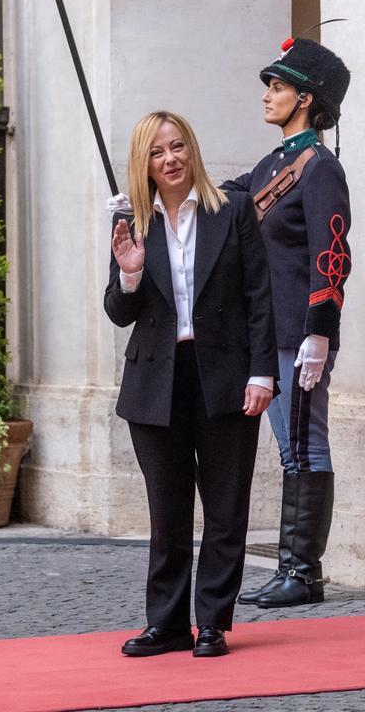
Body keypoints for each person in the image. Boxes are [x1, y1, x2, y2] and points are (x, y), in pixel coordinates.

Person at [104, 111, 278, 658]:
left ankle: (214, 623)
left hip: (225, 376)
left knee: (226, 508)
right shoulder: (132, 222)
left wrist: (263, 372)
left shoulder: (233, 211)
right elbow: (117, 311)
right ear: (144, 163)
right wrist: (129, 271)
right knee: (168, 511)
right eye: (157, 152)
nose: (170, 159)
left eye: (178, 146)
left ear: (192, 150)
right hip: (156, 382)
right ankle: (168, 624)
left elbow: (259, 297)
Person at [223, 37, 353, 609]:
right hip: (269, 329)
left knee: (304, 445)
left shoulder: (319, 166)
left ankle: (302, 572)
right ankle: (293, 570)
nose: (267, 96)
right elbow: (229, 199)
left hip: (300, 333)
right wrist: (152, 194)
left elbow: (334, 252)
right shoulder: (272, 163)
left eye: (277, 87)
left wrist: (320, 332)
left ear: (305, 98)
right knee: (290, 448)